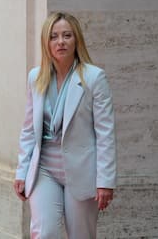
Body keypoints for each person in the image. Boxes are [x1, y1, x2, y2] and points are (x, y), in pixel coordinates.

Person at [13, 12, 117, 239]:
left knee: (82, 235)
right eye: (54, 36)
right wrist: (21, 171)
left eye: (67, 35)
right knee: (45, 232)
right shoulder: (36, 77)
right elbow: (29, 129)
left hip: (82, 170)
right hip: (44, 170)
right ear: (46, 42)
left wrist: (105, 182)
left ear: (76, 40)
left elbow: (105, 133)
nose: (60, 42)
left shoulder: (94, 78)